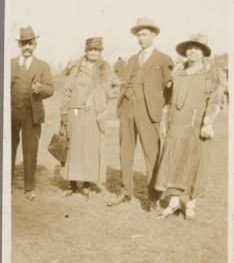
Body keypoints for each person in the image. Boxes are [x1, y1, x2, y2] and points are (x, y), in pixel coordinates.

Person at [154, 34, 224, 220]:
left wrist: (208, 122)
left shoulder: (211, 74)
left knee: (195, 163)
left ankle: (191, 203)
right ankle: (174, 202)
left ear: (203, 52)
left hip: (197, 126)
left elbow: (216, 100)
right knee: (174, 161)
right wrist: (164, 122)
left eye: (197, 48)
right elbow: (168, 101)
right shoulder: (177, 73)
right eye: (190, 48)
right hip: (176, 124)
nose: (192, 51)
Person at [107, 17, 174, 207]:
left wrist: (161, 110)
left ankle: (153, 198)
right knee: (125, 152)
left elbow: (169, 90)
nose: (141, 38)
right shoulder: (132, 60)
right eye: (138, 35)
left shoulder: (164, 59)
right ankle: (125, 192)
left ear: (153, 34)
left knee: (151, 154)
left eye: (144, 34)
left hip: (149, 112)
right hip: (128, 109)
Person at [60, 37, 111, 200]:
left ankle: (87, 185)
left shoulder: (104, 68)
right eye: (90, 49)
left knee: (89, 148)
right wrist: (64, 113)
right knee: (74, 147)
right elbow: (67, 90)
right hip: (75, 111)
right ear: (86, 51)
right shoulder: (76, 68)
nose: (93, 52)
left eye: (96, 49)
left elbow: (111, 87)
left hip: (92, 113)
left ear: (100, 51)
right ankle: (72, 184)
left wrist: (95, 98)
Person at [11, 26, 54, 199]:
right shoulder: (10, 64)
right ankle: (6, 185)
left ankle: (29, 187)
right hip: (11, 113)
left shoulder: (43, 66)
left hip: (32, 114)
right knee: (8, 148)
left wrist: (41, 89)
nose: (27, 47)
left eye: (30, 44)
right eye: (23, 44)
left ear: (35, 45)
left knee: (30, 150)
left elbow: (51, 89)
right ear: (19, 46)